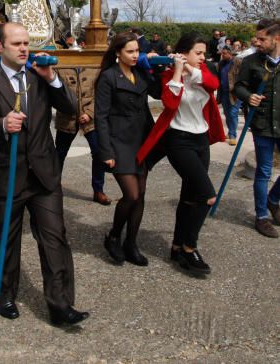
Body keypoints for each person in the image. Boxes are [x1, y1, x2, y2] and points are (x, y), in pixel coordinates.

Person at [0, 23, 89, 327]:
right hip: (5, 176)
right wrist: (1, 125)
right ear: (0, 47)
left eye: (27, 43)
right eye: (17, 44)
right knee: (6, 239)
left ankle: (60, 305)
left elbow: (71, 108)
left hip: (44, 174)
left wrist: (54, 80)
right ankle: (5, 294)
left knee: (54, 238)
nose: (24, 49)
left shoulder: (39, 76)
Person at [137, 33, 225, 276]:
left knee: (189, 197)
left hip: (201, 140)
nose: (202, 57)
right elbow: (171, 103)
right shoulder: (168, 75)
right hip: (179, 140)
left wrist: (189, 67)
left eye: (203, 53)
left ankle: (176, 247)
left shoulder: (204, 72)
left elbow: (214, 85)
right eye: (197, 52)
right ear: (183, 53)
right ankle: (190, 247)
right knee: (206, 196)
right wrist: (177, 71)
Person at [95, 32, 161, 266]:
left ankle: (131, 243)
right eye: (130, 51)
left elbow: (159, 93)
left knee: (140, 195)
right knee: (131, 194)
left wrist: (158, 65)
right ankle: (113, 235)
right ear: (117, 53)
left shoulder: (141, 73)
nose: (135, 55)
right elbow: (100, 117)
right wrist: (106, 151)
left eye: (137, 51)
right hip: (118, 141)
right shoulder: (108, 77)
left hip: (141, 139)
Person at [234, 20, 280, 238]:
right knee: (264, 171)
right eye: (257, 38)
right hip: (262, 124)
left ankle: (273, 200)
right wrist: (248, 96)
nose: (257, 42)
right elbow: (239, 86)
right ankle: (261, 217)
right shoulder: (251, 61)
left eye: (262, 39)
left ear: (276, 39)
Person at [54, 67, 111, 206]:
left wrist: (90, 113)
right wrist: (68, 108)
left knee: (98, 153)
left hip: (90, 120)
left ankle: (98, 190)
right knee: (59, 154)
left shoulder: (96, 67)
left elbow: (101, 94)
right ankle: (53, 189)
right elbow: (56, 93)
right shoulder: (61, 66)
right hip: (66, 119)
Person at [218, 46, 240, 146]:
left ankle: (233, 135)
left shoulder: (237, 62)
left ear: (230, 53)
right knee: (227, 114)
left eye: (225, 53)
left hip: (234, 93)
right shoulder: (221, 64)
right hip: (224, 92)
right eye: (222, 53)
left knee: (233, 113)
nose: (223, 55)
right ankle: (230, 131)